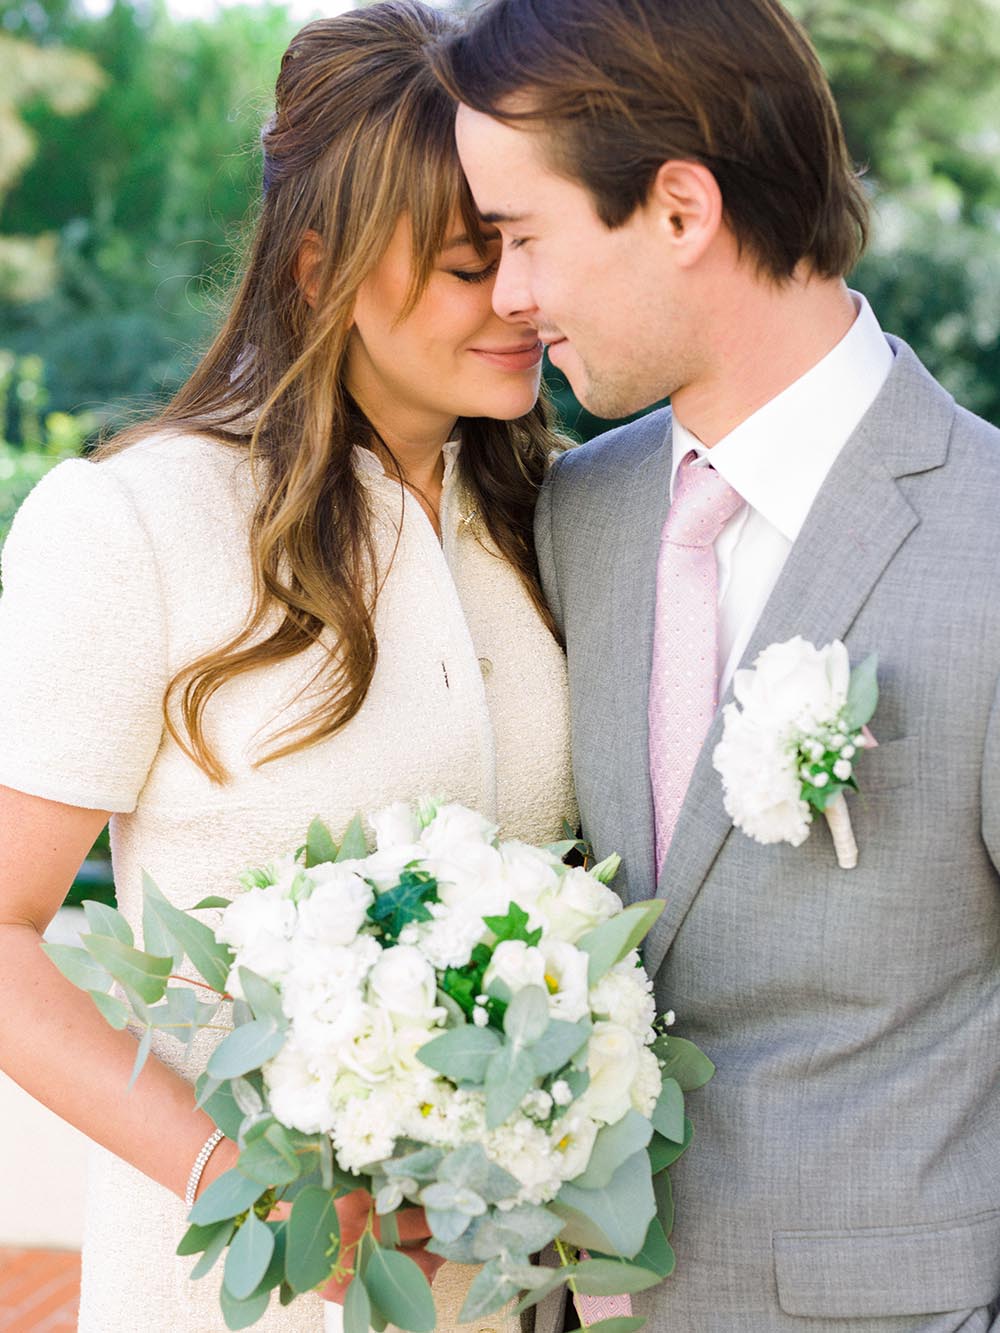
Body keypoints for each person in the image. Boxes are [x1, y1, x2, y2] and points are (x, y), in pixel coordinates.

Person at [0, 4, 574, 1330]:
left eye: (526, 251)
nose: (518, 301)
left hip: (508, 1295)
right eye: (462, 264)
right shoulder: (136, 525)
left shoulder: (565, 519)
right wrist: (252, 1189)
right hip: (234, 1292)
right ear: (319, 269)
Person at [433, 0, 1000, 1329]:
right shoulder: (584, 510)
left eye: (521, 239)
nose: (508, 295)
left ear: (681, 210)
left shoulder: (989, 536)